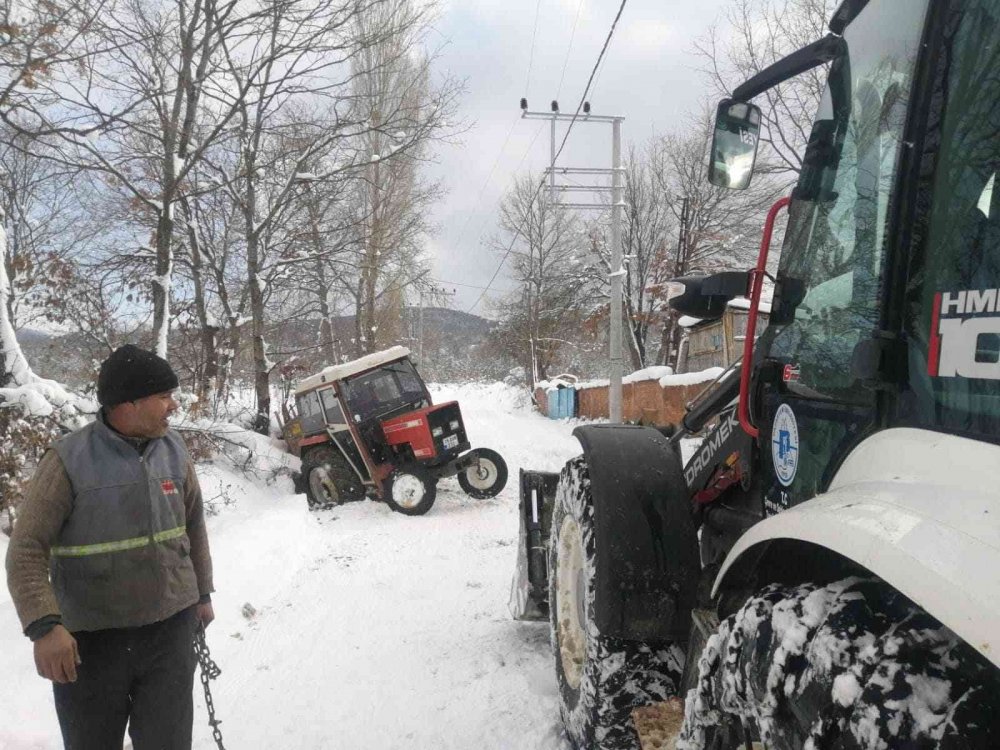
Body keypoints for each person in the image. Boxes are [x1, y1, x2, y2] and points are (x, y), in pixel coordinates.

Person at [6, 344, 215, 750]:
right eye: (163, 397)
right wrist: (44, 626)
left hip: (170, 634)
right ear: (129, 403)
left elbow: (193, 525)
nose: (173, 406)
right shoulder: (67, 460)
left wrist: (202, 592)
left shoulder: (175, 450)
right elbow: (26, 549)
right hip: (92, 645)